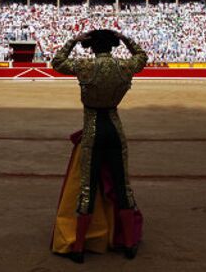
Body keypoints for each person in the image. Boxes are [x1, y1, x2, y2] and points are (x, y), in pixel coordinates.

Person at [50, 29, 147, 264]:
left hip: (93, 129)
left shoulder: (85, 67)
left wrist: (73, 40)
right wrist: (125, 38)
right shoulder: (124, 67)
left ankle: (79, 248)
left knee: (87, 189)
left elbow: (57, 63)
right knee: (122, 186)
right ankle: (129, 244)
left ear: (92, 48)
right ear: (113, 47)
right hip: (115, 129)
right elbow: (142, 57)